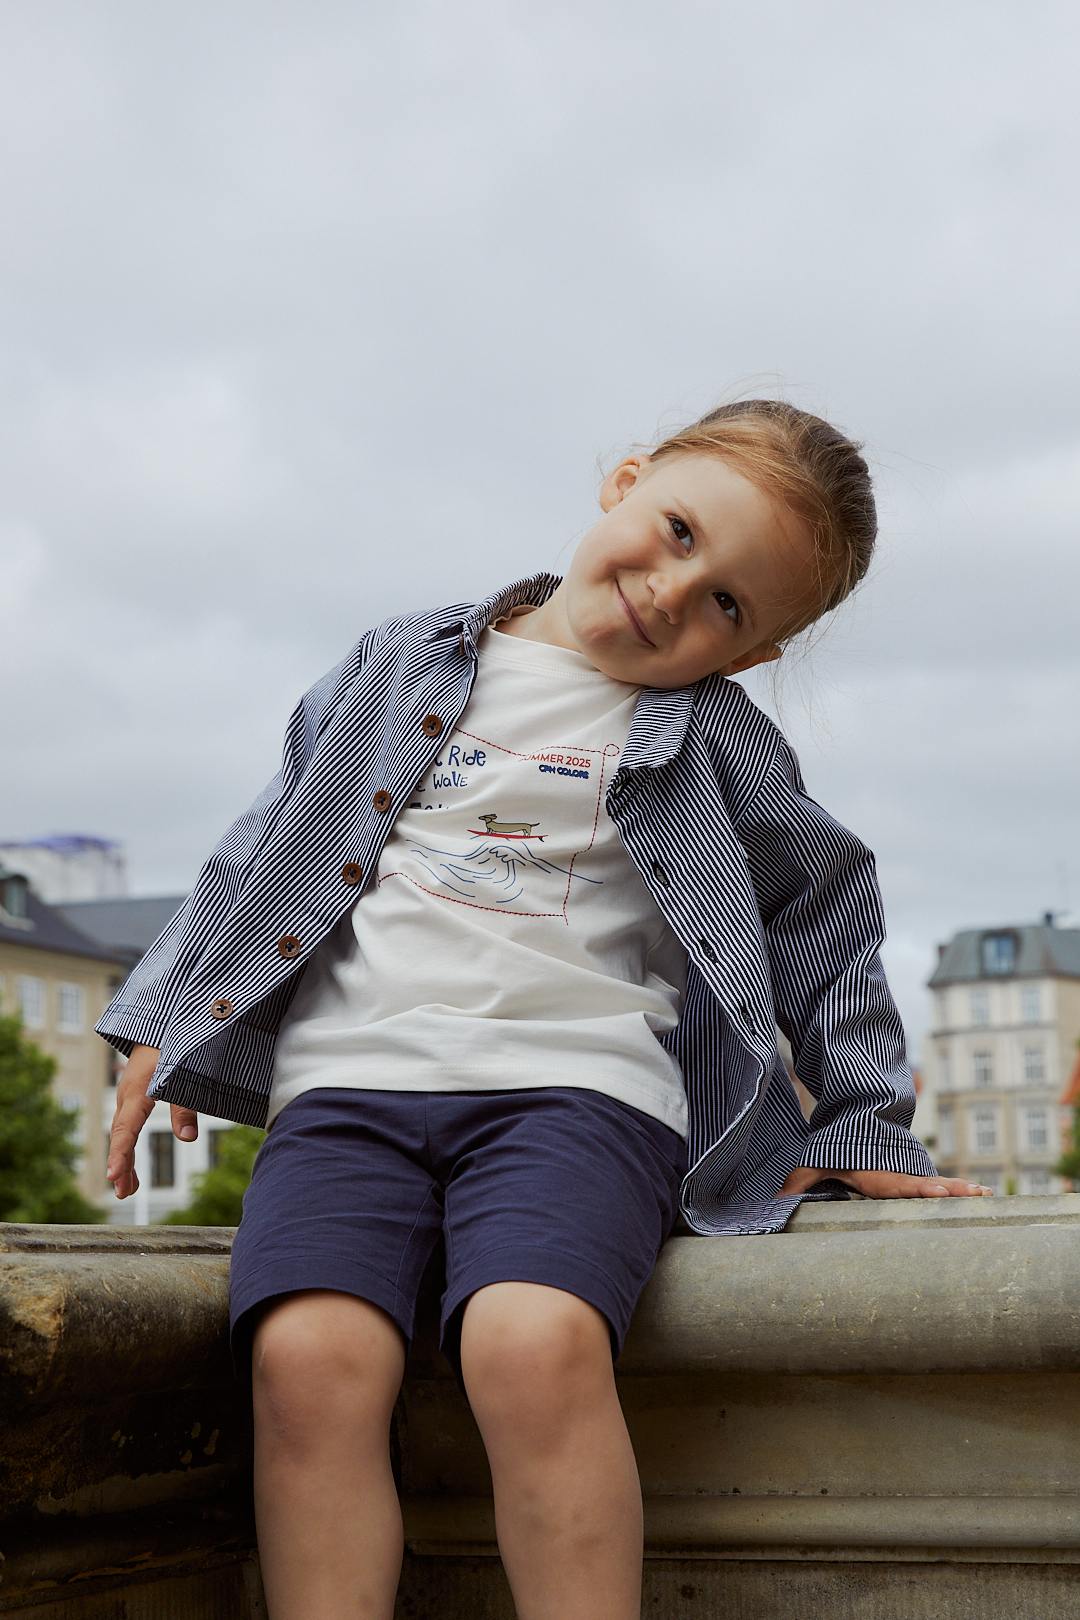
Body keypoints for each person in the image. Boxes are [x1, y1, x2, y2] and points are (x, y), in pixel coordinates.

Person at [99, 398, 991, 1620]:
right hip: (348, 1087)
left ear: (751, 655)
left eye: (728, 602)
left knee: (532, 1345)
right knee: (307, 1364)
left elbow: (826, 918)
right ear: (624, 481)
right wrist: (163, 1018)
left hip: (578, 1097)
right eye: (677, 531)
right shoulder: (399, 660)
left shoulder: (716, 740)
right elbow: (268, 842)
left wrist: (862, 1125)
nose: (675, 591)